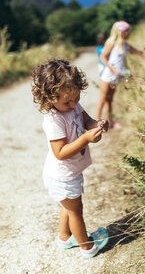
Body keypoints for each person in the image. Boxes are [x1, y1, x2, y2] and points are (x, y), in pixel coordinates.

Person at [31, 59, 109, 259]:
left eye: (76, 98)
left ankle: (65, 238)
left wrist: (96, 125)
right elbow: (60, 152)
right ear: (48, 98)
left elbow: (87, 120)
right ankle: (87, 246)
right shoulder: (53, 119)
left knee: (68, 207)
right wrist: (85, 138)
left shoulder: (73, 104)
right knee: (76, 211)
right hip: (62, 175)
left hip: (70, 172)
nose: (73, 104)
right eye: (67, 102)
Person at [96, 20, 145, 129]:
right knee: (103, 99)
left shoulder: (125, 45)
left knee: (110, 100)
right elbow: (103, 57)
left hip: (116, 76)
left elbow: (136, 51)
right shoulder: (112, 44)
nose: (129, 34)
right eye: (128, 32)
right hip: (107, 75)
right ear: (122, 33)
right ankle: (96, 123)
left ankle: (111, 122)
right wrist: (112, 69)